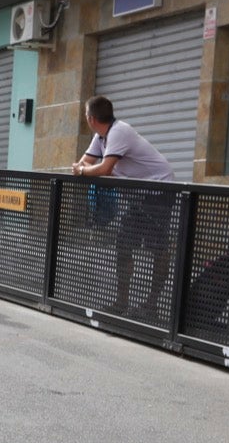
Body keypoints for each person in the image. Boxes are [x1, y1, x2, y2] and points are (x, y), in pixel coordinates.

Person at [72, 95, 176, 320]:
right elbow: (85, 163)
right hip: (138, 195)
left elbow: (104, 169)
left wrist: (81, 171)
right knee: (124, 245)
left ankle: (152, 305)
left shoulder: (119, 131)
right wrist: (81, 168)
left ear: (90, 118)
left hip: (158, 192)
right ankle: (122, 302)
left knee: (158, 249)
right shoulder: (101, 137)